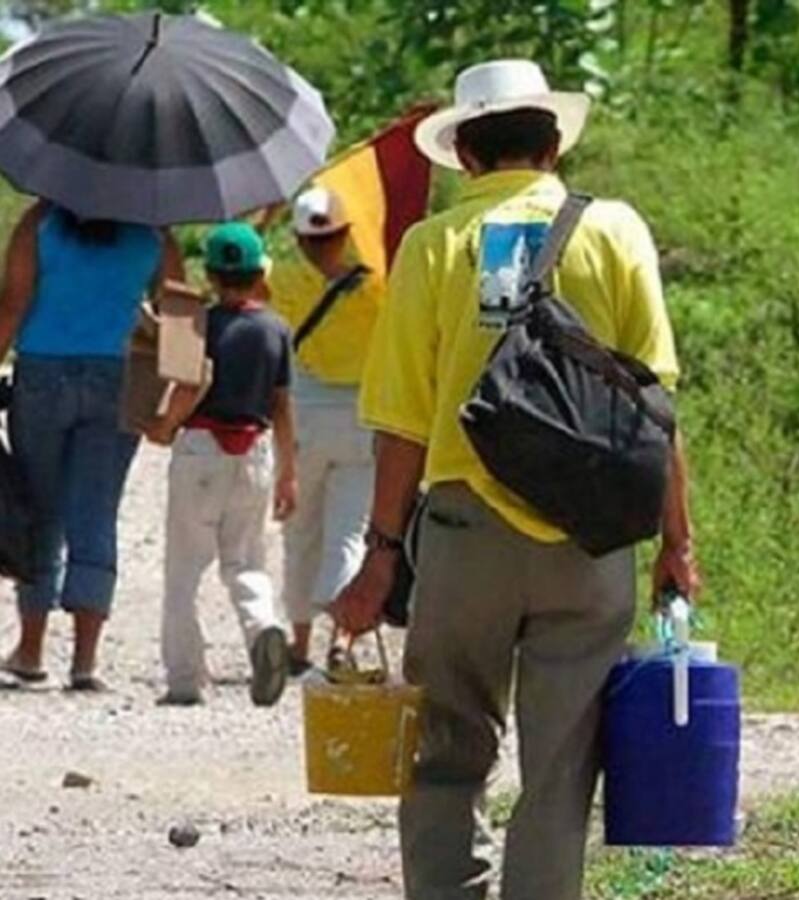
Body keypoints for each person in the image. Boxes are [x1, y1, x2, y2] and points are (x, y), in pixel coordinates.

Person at [331, 59, 700, 900]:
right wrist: (678, 542)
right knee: (563, 759)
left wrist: (382, 553)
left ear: (463, 153)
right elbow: (657, 406)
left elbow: (403, 423)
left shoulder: (432, 248)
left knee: (448, 743)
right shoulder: (615, 232)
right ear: (553, 143)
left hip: (465, 539)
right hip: (590, 533)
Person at [0, 201, 181, 691]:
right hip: (115, 379)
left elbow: (11, 307)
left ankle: (32, 648)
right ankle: (85, 661)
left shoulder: (39, 223)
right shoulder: (154, 234)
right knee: (97, 511)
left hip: (40, 373)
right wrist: (177, 406)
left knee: (41, 510)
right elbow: (181, 317)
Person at [147, 223, 296, 707]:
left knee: (185, 569)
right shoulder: (276, 329)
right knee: (246, 561)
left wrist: (165, 425)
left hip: (201, 448)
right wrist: (288, 472)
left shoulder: (198, 324)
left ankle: (186, 680)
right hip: (254, 451)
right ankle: (264, 628)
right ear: (260, 275)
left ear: (210, 274)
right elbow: (282, 406)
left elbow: (190, 386)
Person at [267, 188, 382, 674]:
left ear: (298, 237)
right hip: (362, 416)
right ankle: (343, 637)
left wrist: (261, 218)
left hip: (304, 414)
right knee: (349, 534)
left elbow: (233, 265)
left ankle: (299, 643)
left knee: (301, 535)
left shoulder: (284, 281)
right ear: (345, 234)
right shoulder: (378, 288)